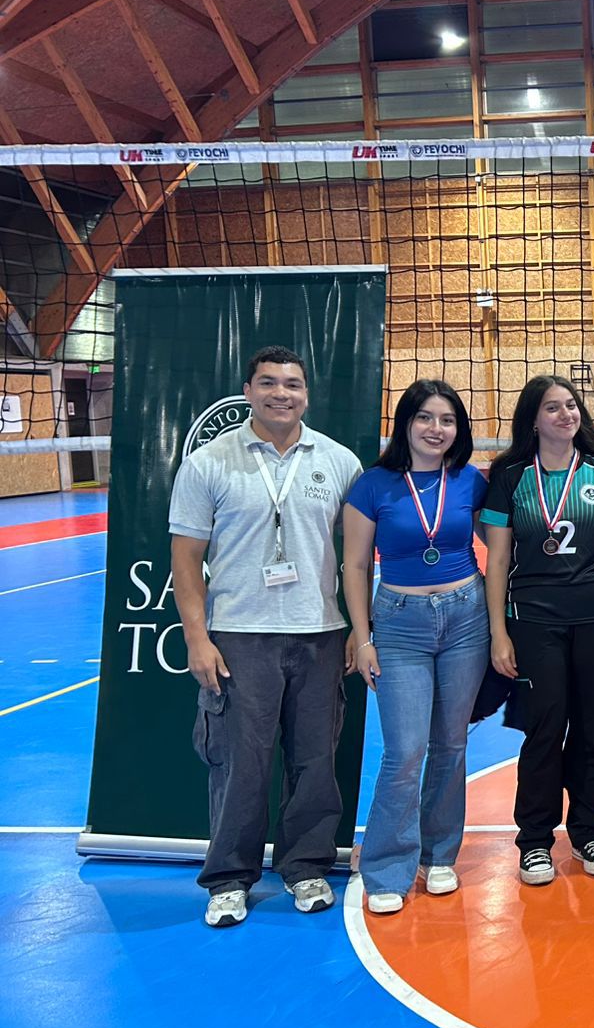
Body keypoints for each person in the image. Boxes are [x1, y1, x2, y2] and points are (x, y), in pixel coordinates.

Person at [170, 345, 363, 928]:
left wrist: (359, 629)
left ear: (308, 394)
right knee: (240, 763)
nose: (282, 393)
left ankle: (307, 867)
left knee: (315, 759)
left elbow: (358, 561)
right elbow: (186, 560)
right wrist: (197, 639)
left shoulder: (339, 462)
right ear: (248, 391)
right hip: (239, 638)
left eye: (293, 384)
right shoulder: (209, 463)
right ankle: (228, 878)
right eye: (269, 383)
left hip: (320, 634)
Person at [482, 376, 594, 886]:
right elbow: (498, 557)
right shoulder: (508, 477)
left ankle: (589, 830)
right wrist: (499, 632)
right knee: (545, 728)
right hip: (534, 621)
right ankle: (535, 841)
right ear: (533, 419)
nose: (566, 415)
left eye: (571, 406)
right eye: (553, 408)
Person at [343, 380, 489, 915]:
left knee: (451, 743)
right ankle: (386, 866)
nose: (436, 429)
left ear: (459, 429)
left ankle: (440, 855)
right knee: (405, 752)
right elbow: (355, 566)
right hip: (399, 623)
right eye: (425, 417)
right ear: (406, 423)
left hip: (466, 616)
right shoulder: (373, 486)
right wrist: (363, 639)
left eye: (447, 420)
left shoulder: (472, 481)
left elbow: (500, 547)